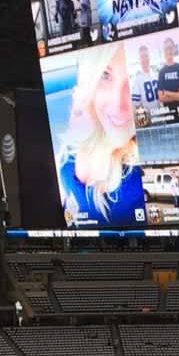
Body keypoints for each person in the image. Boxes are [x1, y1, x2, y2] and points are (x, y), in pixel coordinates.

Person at [59, 42, 144, 225]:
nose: (118, 104)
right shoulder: (83, 128)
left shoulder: (137, 183)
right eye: (106, 75)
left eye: (132, 80)